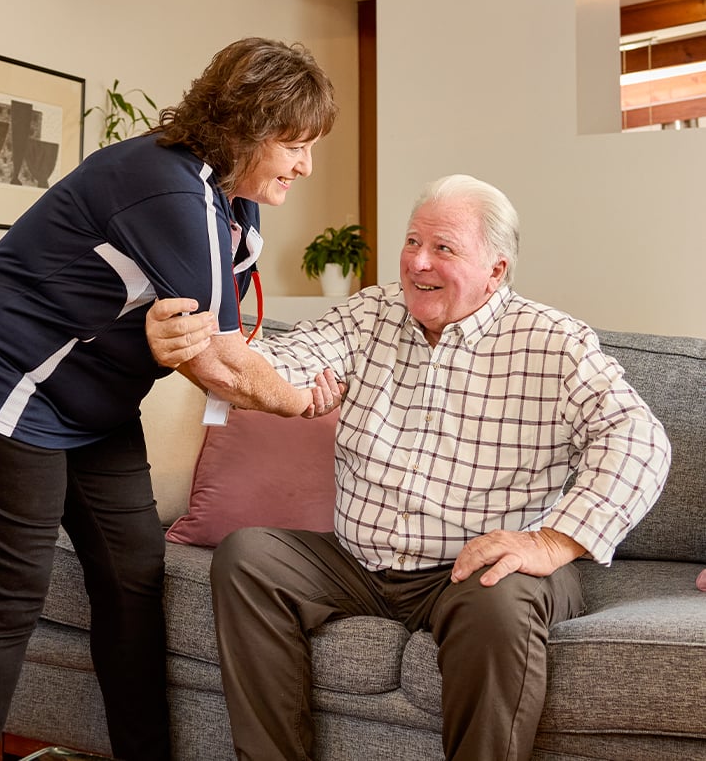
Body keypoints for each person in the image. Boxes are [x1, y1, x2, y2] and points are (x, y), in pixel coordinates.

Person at [145, 173, 671, 761]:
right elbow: (287, 362)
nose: (418, 263)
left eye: (444, 248)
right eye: (412, 242)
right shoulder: (372, 311)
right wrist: (203, 353)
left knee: (502, 596)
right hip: (356, 560)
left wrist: (552, 540)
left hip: (472, 568)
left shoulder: (554, 342)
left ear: (496, 269)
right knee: (249, 557)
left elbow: (638, 438)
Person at [0, 36, 342, 761]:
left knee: (132, 576)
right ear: (248, 126)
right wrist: (303, 404)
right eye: (295, 144)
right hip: (11, 368)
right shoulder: (167, 186)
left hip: (97, 392)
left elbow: (205, 335)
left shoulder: (232, 201)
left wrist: (188, 345)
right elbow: (222, 362)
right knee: (5, 597)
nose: (306, 165)